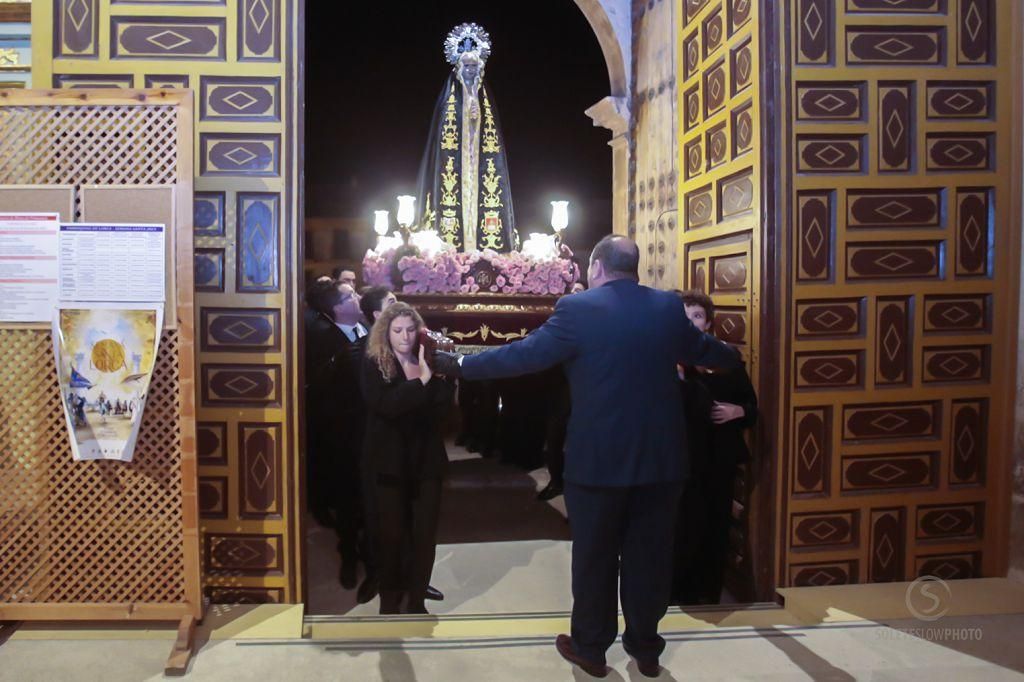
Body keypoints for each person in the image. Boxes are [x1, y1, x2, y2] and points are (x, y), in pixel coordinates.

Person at [433, 235, 739, 678]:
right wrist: (732, 355)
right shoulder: (665, 308)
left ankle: (591, 648)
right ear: (636, 267)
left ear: (596, 268)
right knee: (650, 557)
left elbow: (523, 356)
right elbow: (709, 352)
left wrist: (458, 365)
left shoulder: (577, 310)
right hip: (661, 462)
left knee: (595, 558)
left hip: (598, 463)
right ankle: (646, 648)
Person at [362, 302, 455, 614]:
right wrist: (421, 384)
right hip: (389, 462)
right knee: (391, 534)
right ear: (386, 332)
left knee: (424, 534)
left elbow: (444, 410)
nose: (405, 337)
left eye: (410, 330)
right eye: (398, 330)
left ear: (419, 331)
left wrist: (439, 380)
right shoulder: (375, 363)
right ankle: (389, 596)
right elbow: (385, 405)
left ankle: (416, 597)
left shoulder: (432, 361)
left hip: (426, 461)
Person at [672, 290, 758, 606]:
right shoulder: (670, 359)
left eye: (696, 316)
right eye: (684, 317)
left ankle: (708, 594)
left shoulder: (726, 358)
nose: (691, 322)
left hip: (719, 455)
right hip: (682, 457)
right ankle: (677, 593)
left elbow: (752, 406)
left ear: (708, 323)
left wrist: (738, 411)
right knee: (682, 527)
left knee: (715, 526)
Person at [307, 279, 369, 589]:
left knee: (372, 497)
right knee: (347, 498)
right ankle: (348, 555)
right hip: (342, 432)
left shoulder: (366, 327)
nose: (358, 298)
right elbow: (316, 386)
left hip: (372, 429)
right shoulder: (321, 337)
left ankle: (373, 556)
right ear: (337, 307)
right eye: (351, 295)